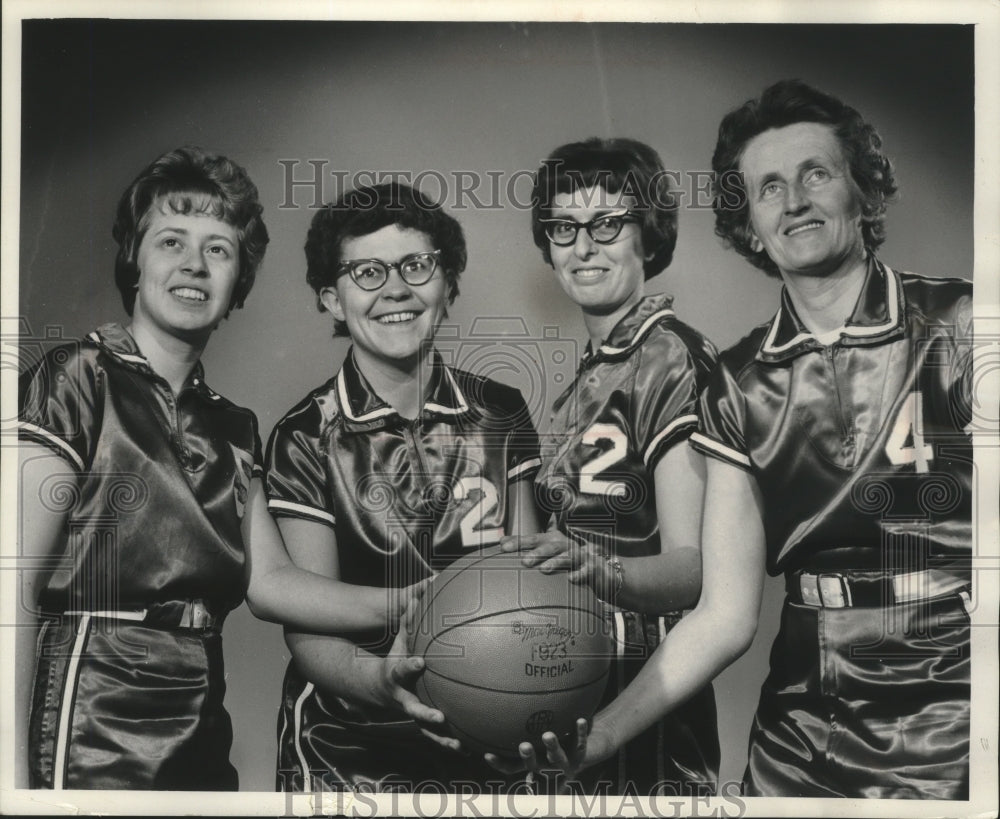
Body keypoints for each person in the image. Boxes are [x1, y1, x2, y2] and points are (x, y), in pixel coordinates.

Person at [519, 81, 973, 800]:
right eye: (768, 187)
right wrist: (599, 733)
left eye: (814, 174)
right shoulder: (736, 381)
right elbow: (725, 615)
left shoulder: (964, 322)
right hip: (805, 714)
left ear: (863, 191)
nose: (792, 200)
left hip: (959, 691)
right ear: (748, 222)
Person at [16, 147, 415, 790]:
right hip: (92, 705)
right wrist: (10, 779)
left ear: (238, 283)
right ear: (135, 260)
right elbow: (11, 592)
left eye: (219, 249)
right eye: (171, 240)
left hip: (201, 706)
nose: (194, 265)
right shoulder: (75, 378)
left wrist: (416, 602)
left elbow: (272, 584)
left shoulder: (234, 425)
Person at [267, 182, 542, 793]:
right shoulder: (303, 436)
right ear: (330, 299)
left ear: (448, 285)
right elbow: (307, 622)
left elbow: (531, 586)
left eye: (416, 265)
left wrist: (530, 695)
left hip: (487, 731)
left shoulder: (501, 410)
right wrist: (380, 684)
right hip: (349, 744)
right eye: (367, 272)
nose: (395, 288)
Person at [492, 138, 720, 796]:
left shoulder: (670, 357)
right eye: (564, 227)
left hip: (644, 677)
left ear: (648, 234)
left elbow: (692, 569)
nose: (583, 246)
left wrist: (597, 569)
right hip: (569, 669)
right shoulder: (588, 380)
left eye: (606, 224)